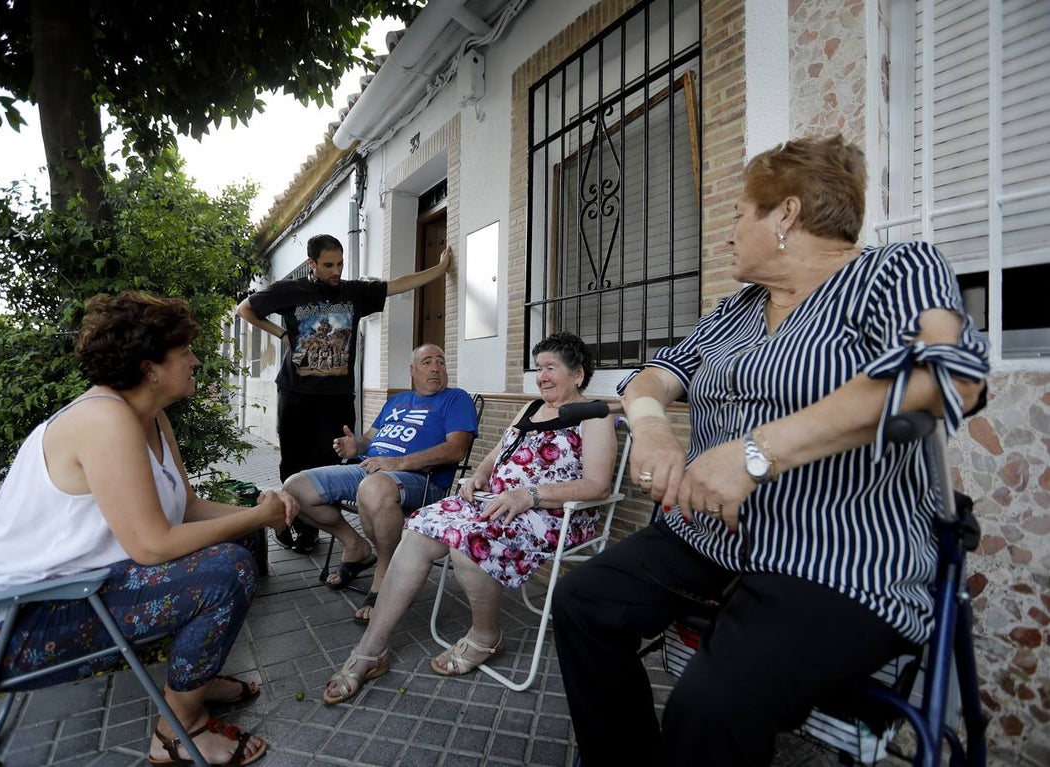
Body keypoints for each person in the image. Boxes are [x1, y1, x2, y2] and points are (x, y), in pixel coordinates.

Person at [550, 135, 991, 765]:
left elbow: (948, 373)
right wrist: (650, 426)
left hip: (836, 554)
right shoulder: (736, 311)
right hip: (709, 537)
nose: (728, 234)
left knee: (707, 708)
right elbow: (654, 376)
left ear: (785, 213)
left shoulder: (893, 271)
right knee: (582, 602)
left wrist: (755, 453)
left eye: (737, 214)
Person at [0, 291, 300, 766]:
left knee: (240, 539)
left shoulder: (148, 416)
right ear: (150, 367)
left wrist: (262, 509)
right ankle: (177, 732)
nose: (195, 360)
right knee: (226, 571)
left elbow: (185, 507)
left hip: (75, 590)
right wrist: (256, 517)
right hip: (15, 622)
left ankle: (196, 681)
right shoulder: (103, 420)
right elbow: (152, 545)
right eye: (185, 352)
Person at [322, 331, 618, 705]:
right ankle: (370, 650)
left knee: (468, 544)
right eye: (538, 367)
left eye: (551, 368)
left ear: (578, 374)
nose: (542, 376)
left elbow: (598, 485)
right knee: (418, 529)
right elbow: (497, 453)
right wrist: (478, 474)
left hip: (553, 514)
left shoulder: (594, 416)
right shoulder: (530, 409)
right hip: (496, 502)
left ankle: (485, 636)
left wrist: (530, 495)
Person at [235, 234, 452, 555]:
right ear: (312, 263)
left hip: (336, 395)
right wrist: (282, 333)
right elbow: (245, 309)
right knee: (293, 461)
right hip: (296, 393)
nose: (336, 270)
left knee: (334, 458)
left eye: (339, 264)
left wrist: (439, 268)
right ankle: (299, 524)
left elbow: (397, 284)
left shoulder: (354, 293)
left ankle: (331, 530)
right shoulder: (290, 291)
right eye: (328, 265)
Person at [283, 343, 479, 622]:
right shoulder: (397, 401)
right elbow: (370, 438)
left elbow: (456, 449)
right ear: (412, 371)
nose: (435, 367)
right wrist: (355, 446)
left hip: (421, 481)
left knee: (374, 487)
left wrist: (395, 464)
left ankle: (386, 571)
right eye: (426, 362)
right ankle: (356, 546)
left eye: (441, 362)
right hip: (370, 469)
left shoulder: (455, 399)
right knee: (295, 487)